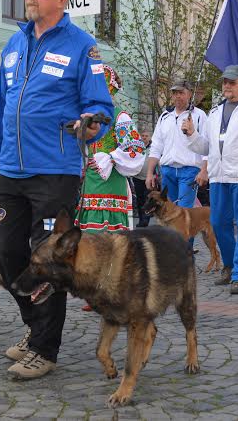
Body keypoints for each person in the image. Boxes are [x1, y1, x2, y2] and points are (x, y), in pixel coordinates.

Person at [0, 0, 113, 379]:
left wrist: (91, 123)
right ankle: (35, 331)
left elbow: (100, 107)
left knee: (47, 260)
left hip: (55, 170)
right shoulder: (14, 44)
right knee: (8, 253)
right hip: (10, 170)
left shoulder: (83, 47)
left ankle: (45, 351)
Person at [182, 64, 238, 294]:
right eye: (224, 82)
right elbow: (207, 147)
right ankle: (230, 266)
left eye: (232, 82)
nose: (227, 86)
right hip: (219, 177)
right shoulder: (214, 112)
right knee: (220, 223)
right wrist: (192, 134)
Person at [75, 65, 145, 311]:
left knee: (113, 238)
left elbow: (135, 149)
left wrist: (110, 157)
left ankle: (115, 289)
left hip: (112, 183)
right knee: (90, 237)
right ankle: (94, 291)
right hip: (90, 184)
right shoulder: (86, 116)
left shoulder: (120, 117)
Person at [146, 80, 207, 209]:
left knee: (183, 212)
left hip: (189, 171)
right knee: (168, 211)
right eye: (174, 93)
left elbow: (207, 146)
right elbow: (156, 146)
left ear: (189, 94)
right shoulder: (165, 116)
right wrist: (149, 173)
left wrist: (204, 170)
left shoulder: (199, 116)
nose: (177, 96)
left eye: (181, 92)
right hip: (167, 170)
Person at [133, 130, 153, 227]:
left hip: (149, 178)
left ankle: (145, 220)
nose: (144, 137)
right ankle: (141, 220)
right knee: (140, 199)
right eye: (143, 135)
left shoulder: (153, 148)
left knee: (147, 199)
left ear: (150, 137)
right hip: (137, 177)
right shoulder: (137, 148)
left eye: (146, 136)